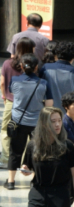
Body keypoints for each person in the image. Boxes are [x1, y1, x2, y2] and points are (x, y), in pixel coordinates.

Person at [4, 54, 53, 190]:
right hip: (37, 123)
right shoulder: (43, 83)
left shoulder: (15, 80)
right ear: (36, 67)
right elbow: (49, 104)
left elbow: (12, 93)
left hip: (18, 122)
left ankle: (11, 181)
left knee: (15, 151)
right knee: (38, 151)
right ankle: (35, 180)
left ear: (21, 66)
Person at [1, 37, 35, 168]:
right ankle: (23, 161)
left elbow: (2, 83)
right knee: (25, 131)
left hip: (11, 101)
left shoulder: (7, 63)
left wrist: (5, 97)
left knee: (6, 129)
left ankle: (6, 159)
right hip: (28, 103)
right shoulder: (32, 65)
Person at [38, 41, 74, 113]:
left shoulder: (46, 68)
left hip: (48, 111)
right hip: (67, 112)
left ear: (57, 54)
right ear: (73, 57)